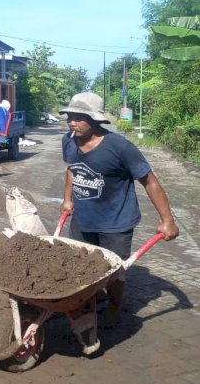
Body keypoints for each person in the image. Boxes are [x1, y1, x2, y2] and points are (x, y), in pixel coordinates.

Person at [59, 92, 179, 325]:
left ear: (94, 120)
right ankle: (89, 303)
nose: (72, 122)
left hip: (115, 222)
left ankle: (114, 311)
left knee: (114, 272)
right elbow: (71, 169)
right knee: (80, 265)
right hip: (83, 219)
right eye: (70, 116)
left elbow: (150, 181)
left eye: (79, 117)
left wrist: (168, 220)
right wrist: (67, 199)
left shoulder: (120, 147)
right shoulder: (69, 140)